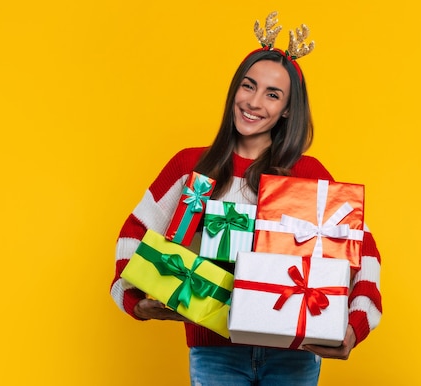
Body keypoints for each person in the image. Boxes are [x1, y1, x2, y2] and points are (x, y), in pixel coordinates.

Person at [110, 11, 382, 385]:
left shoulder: (307, 174)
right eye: (248, 86)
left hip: (293, 355)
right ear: (234, 89)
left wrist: (355, 325)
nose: (254, 102)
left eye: (273, 95)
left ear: (287, 109)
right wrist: (135, 300)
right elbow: (133, 233)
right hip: (214, 351)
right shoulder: (192, 166)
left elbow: (363, 249)